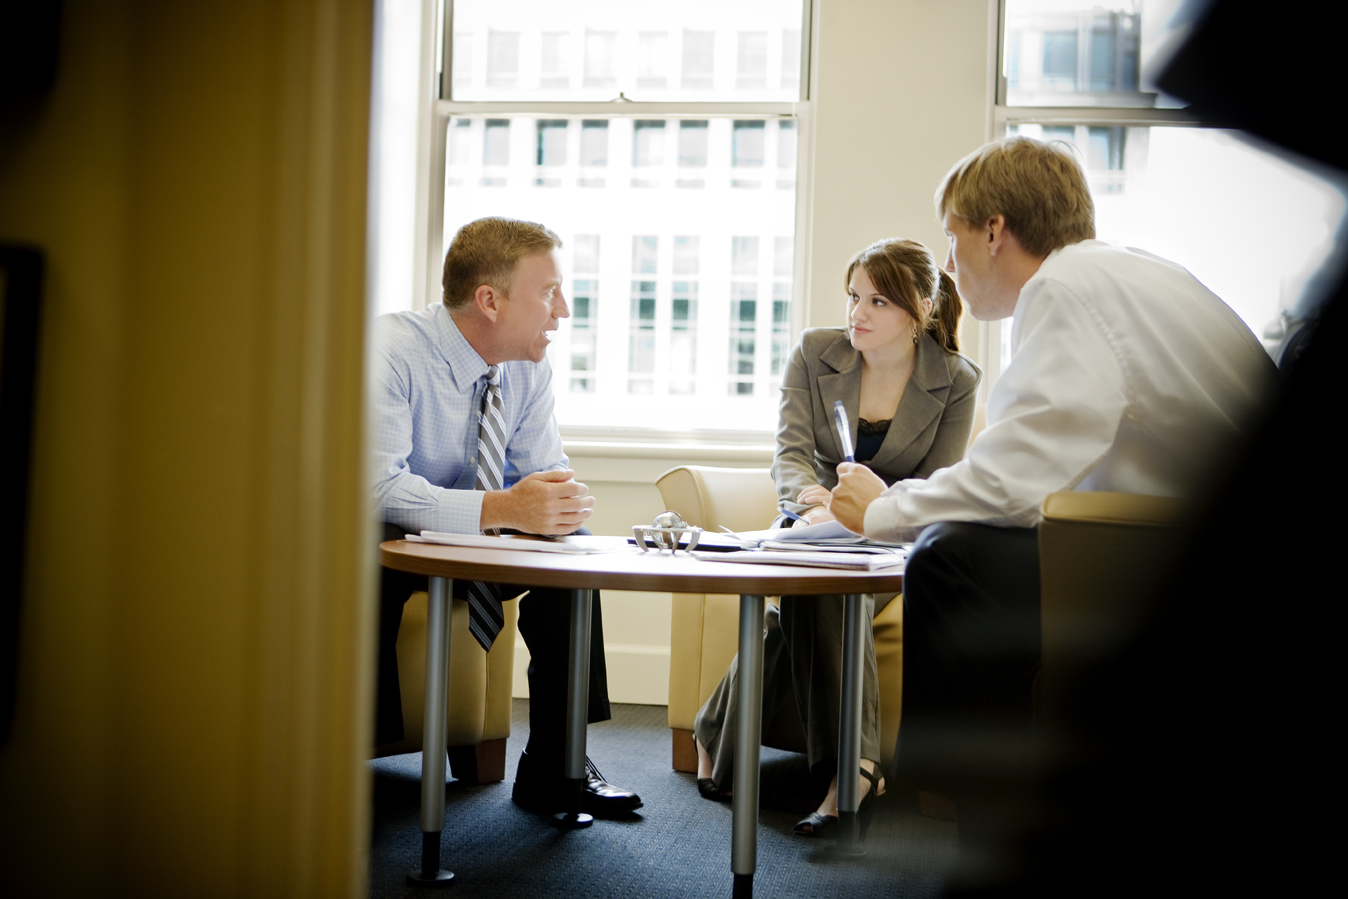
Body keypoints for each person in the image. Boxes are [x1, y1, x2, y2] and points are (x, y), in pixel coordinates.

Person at [825, 136, 1279, 811]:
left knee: (951, 559)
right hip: (1176, 539)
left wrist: (883, 509)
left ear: (995, 230)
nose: (948, 265)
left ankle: (975, 808)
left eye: (953, 238)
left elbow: (1009, 481)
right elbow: (1055, 466)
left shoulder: (1066, 289)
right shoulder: (1125, 274)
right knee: (968, 547)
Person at [692, 238, 982, 836]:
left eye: (878, 302)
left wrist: (872, 512)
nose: (858, 314)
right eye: (854, 297)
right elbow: (790, 454)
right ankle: (855, 770)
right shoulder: (813, 353)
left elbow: (936, 486)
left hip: (896, 539)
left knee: (812, 600)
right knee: (818, 582)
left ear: (920, 311)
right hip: (812, 525)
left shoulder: (956, 380)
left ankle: (718, 728)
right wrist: (813, 501)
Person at [371, 217, 641, 817]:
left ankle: (558, 764)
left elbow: (541, 471)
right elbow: (377, 487)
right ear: (489, 300)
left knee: (570, 549)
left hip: (480, 539)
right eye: (549, 292)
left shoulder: (529, 366)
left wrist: (554, 506)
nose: (563, 311)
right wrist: (503, 508)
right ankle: (355, 747)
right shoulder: (392, 351)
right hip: (391, 539)